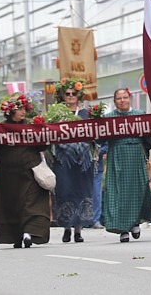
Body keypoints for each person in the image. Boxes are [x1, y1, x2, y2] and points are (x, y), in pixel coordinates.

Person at [0, 94, 50, 248]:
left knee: (31, 202)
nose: (23, 112)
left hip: (30, 171)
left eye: (24, 109)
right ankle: (16, 236)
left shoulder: (31, 126)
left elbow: (42, 146)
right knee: (11, 205)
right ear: (10, 111)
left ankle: (29, 233)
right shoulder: (0, 128)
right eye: (19, 109)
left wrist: (44, 134)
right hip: (8, 176)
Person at [102, 88, 151, 243]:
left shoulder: (140, 115)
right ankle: (123, 229)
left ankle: (136, 221)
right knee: (118, 192)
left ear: (129, 98)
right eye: (119, 98)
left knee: (138, 189)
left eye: (125, 97)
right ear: (114, 101)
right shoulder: (108, 118)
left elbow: (149, 137)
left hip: (136, 155)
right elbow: (100, 138)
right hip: (117, 156)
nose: (122, 100)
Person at [53, 78, 95, 243]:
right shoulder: (57, 114)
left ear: (79, 95)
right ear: (62, 96)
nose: (70, 96)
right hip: (63, 159)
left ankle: (78, 230)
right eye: (67, 93)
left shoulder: (87, 114)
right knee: (64, 192)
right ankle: (66, 228)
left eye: (74, 93)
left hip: (83, 160)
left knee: (82, 192)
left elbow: (95, 134)